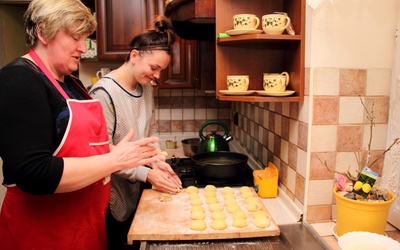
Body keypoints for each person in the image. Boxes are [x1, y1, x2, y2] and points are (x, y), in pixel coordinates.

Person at [0, 0, 167, 249]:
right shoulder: (19, 78)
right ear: (43, 32)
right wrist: (115, 160)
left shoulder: (72, 82)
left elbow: (89, 148)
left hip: (85, 228)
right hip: (43, 233)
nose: (83, 46)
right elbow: (32, 172)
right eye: (76, 37)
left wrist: (135, 156)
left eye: (86, 37)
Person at [89, 16, 182, 249]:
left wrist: (157, 161)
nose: (157, 76)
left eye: (161, 70)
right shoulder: (103, 93)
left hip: (135, 188)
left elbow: (149, 129)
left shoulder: (145, 88)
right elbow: (102, 154)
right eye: (154, 68)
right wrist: (147, 174)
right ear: (134, 56)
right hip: (111, 197)